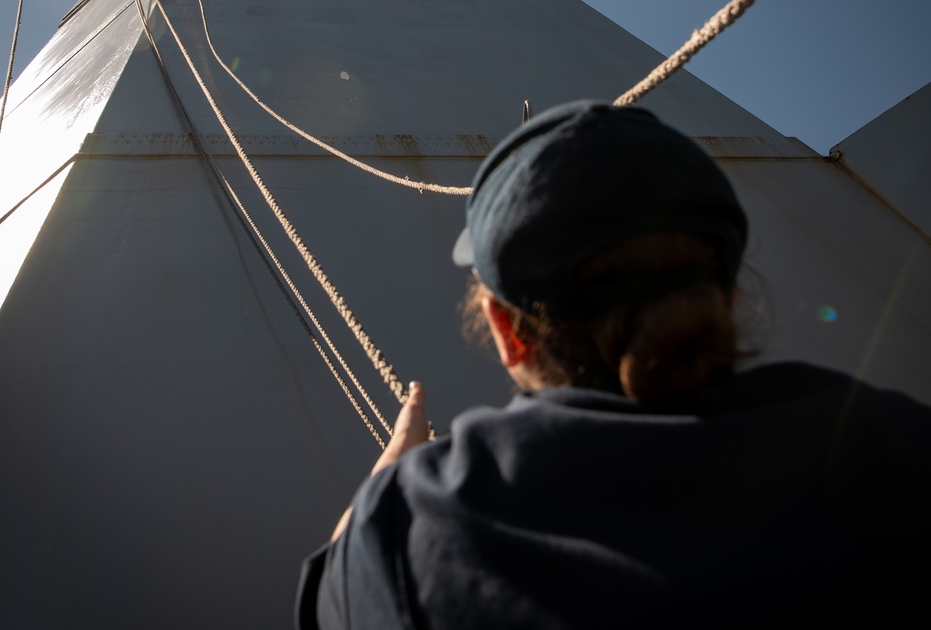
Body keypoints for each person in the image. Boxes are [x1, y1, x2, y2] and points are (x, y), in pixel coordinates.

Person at [296, 100, 931, 629]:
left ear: (508, 331)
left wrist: (387, 478)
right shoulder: (899, 448)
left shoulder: (414, 531)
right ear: (727, 299)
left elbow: (340, 600)